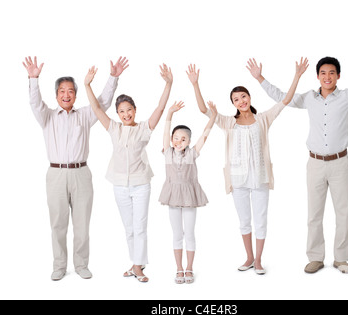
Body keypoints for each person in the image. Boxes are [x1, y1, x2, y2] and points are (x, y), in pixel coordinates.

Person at [247, 49, 348, 274]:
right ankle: (315, 257)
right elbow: (281, 96)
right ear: (317, 76)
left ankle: (341, 259)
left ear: (338, 76)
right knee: (314, 213)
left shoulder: (347, 97)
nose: (327, 77)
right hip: (314, 163)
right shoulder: (308, 99)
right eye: (323, 73)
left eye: (332, 73)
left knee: (343, 212)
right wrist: (259, 78)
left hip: (340, 163)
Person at [187, 58, 308, 274]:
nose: (241, 101)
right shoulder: (228, 122)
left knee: (260, 220)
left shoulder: (263, 118)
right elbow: (203, 109)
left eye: (243, 96)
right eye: (236, 99)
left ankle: (259, 259)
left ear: (249, 98)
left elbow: (285, 100)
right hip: (237, 179)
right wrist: (196, 84)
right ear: (232, 104)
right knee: (244, 221)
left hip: (260, 177)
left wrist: (297, 76)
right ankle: (249, 257)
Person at [23, 55, 127, 280]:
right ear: (56, 95)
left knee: (82, 223)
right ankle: (59, 266)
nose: (66, 95)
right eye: (62, 91)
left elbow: (103, 103)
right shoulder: (47, 117)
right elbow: (34, 102)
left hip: (81, 173)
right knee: (58, 223)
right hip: (56, 175)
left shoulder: (85, 115)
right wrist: (33, 79)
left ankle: (81, 265)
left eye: (70, 91)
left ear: (76, 95)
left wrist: (113, 77)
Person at [84, 63, 173, 283]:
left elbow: (160, 109)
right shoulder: (114, 128)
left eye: (129, 110)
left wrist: (169, 83)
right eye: (121, 111)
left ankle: (137, 266)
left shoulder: (144, 128)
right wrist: (87, 85)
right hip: (119, 185)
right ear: (117, 114)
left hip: (141, 183)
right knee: (129, 227)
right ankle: (136, 263)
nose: (125, 114)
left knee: (140, 225)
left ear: (135, 110)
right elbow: (96, 109)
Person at [158, 100, 217, 284]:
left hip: (190, 196)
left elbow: (204, 137)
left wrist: (213, 117)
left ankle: (189, 268)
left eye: (184, 139)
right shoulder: (167, 152)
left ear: (189, 141)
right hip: (172, 195)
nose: (179, 141)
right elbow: (166, 132)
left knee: (189, 233)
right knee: (177, 234)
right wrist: (169, 114)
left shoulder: (192, 153)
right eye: (176, 138)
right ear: (172, 139)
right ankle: (179, 269)